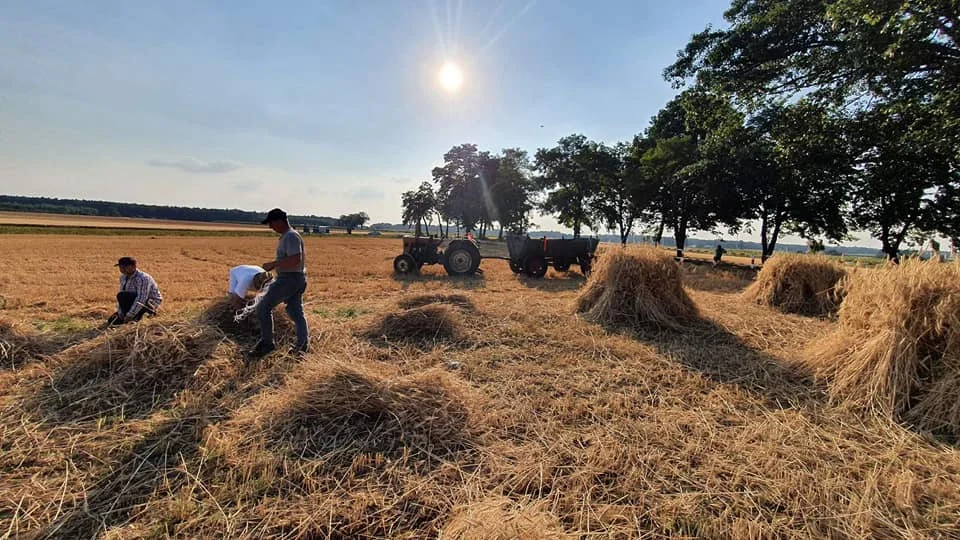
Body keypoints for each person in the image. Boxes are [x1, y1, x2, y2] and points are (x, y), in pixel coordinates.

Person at [251, 208, 309, 356]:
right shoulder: (288, 236)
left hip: (289, 279)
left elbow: (296, 259)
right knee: (296, 313)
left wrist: (274, 264)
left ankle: (267, 343)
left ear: (279, 221)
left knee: (263, 307)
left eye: (271, 223)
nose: (270, 227)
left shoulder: (290, 236)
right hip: (296, 279)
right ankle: (302, 347)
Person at [108, 257, 162, 325]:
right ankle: (134, 317)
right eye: (120, 267)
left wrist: (129, 315)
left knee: (122, 296)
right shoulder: (123, 277)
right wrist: (120, 313)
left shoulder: (143, 278)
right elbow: (122, 297)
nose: (122, 269)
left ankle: (146, 314)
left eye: (125, 267)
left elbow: (141, 299)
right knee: (112, 321)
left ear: (134, 267)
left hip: (148, 304)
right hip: (133, 301)